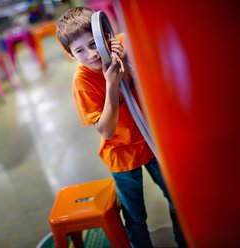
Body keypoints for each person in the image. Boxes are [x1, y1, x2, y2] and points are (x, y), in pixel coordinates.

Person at [56, 6, 187, 248]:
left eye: (94, 43)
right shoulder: (83, 81)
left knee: (179, 199)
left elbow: (161, 88)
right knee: (136, 217)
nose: (92, 54)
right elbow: (106, 130)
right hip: (121, 153)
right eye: (80, 50)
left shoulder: (124, 45)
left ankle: (184, 241)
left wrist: (129, 64)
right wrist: (112, 85)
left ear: (107, 35)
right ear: (71, 56)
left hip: (153, 141)